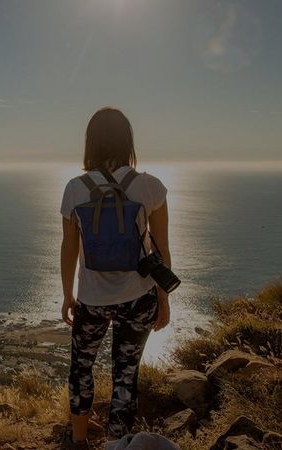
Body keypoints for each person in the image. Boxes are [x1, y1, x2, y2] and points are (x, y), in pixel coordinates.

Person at [59, 107, 171, 447]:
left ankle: (79, 442)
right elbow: (161, 249)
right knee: (125, 375)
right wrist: (163, 300)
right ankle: (118, 445)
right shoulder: (150, 187)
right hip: (139, 297)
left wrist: (68, 295)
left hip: (91, 301)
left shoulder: (75, 189)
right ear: (128, 142)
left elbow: (69, 250)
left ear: (90, 143)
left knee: (81, 368)